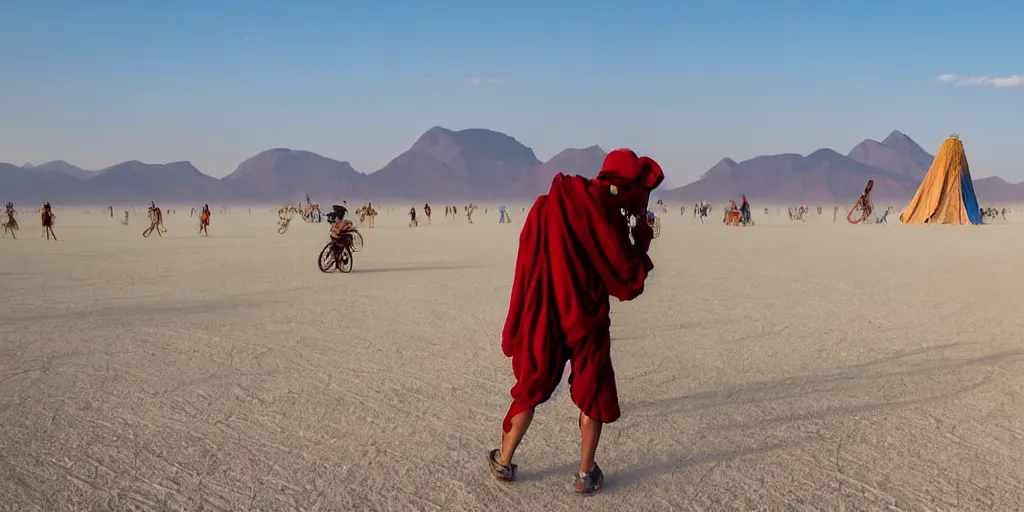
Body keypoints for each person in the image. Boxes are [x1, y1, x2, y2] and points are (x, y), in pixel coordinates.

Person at [488, 148, 663, 494]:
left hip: (545, 316)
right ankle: (586, 473)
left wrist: (519, 316)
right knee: (592, 390)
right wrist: (641, 240)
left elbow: (525, 266)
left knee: (532, 387)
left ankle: (504, 461)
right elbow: (628, 282)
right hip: (588, 320)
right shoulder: (609, 220)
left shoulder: (547, 205)